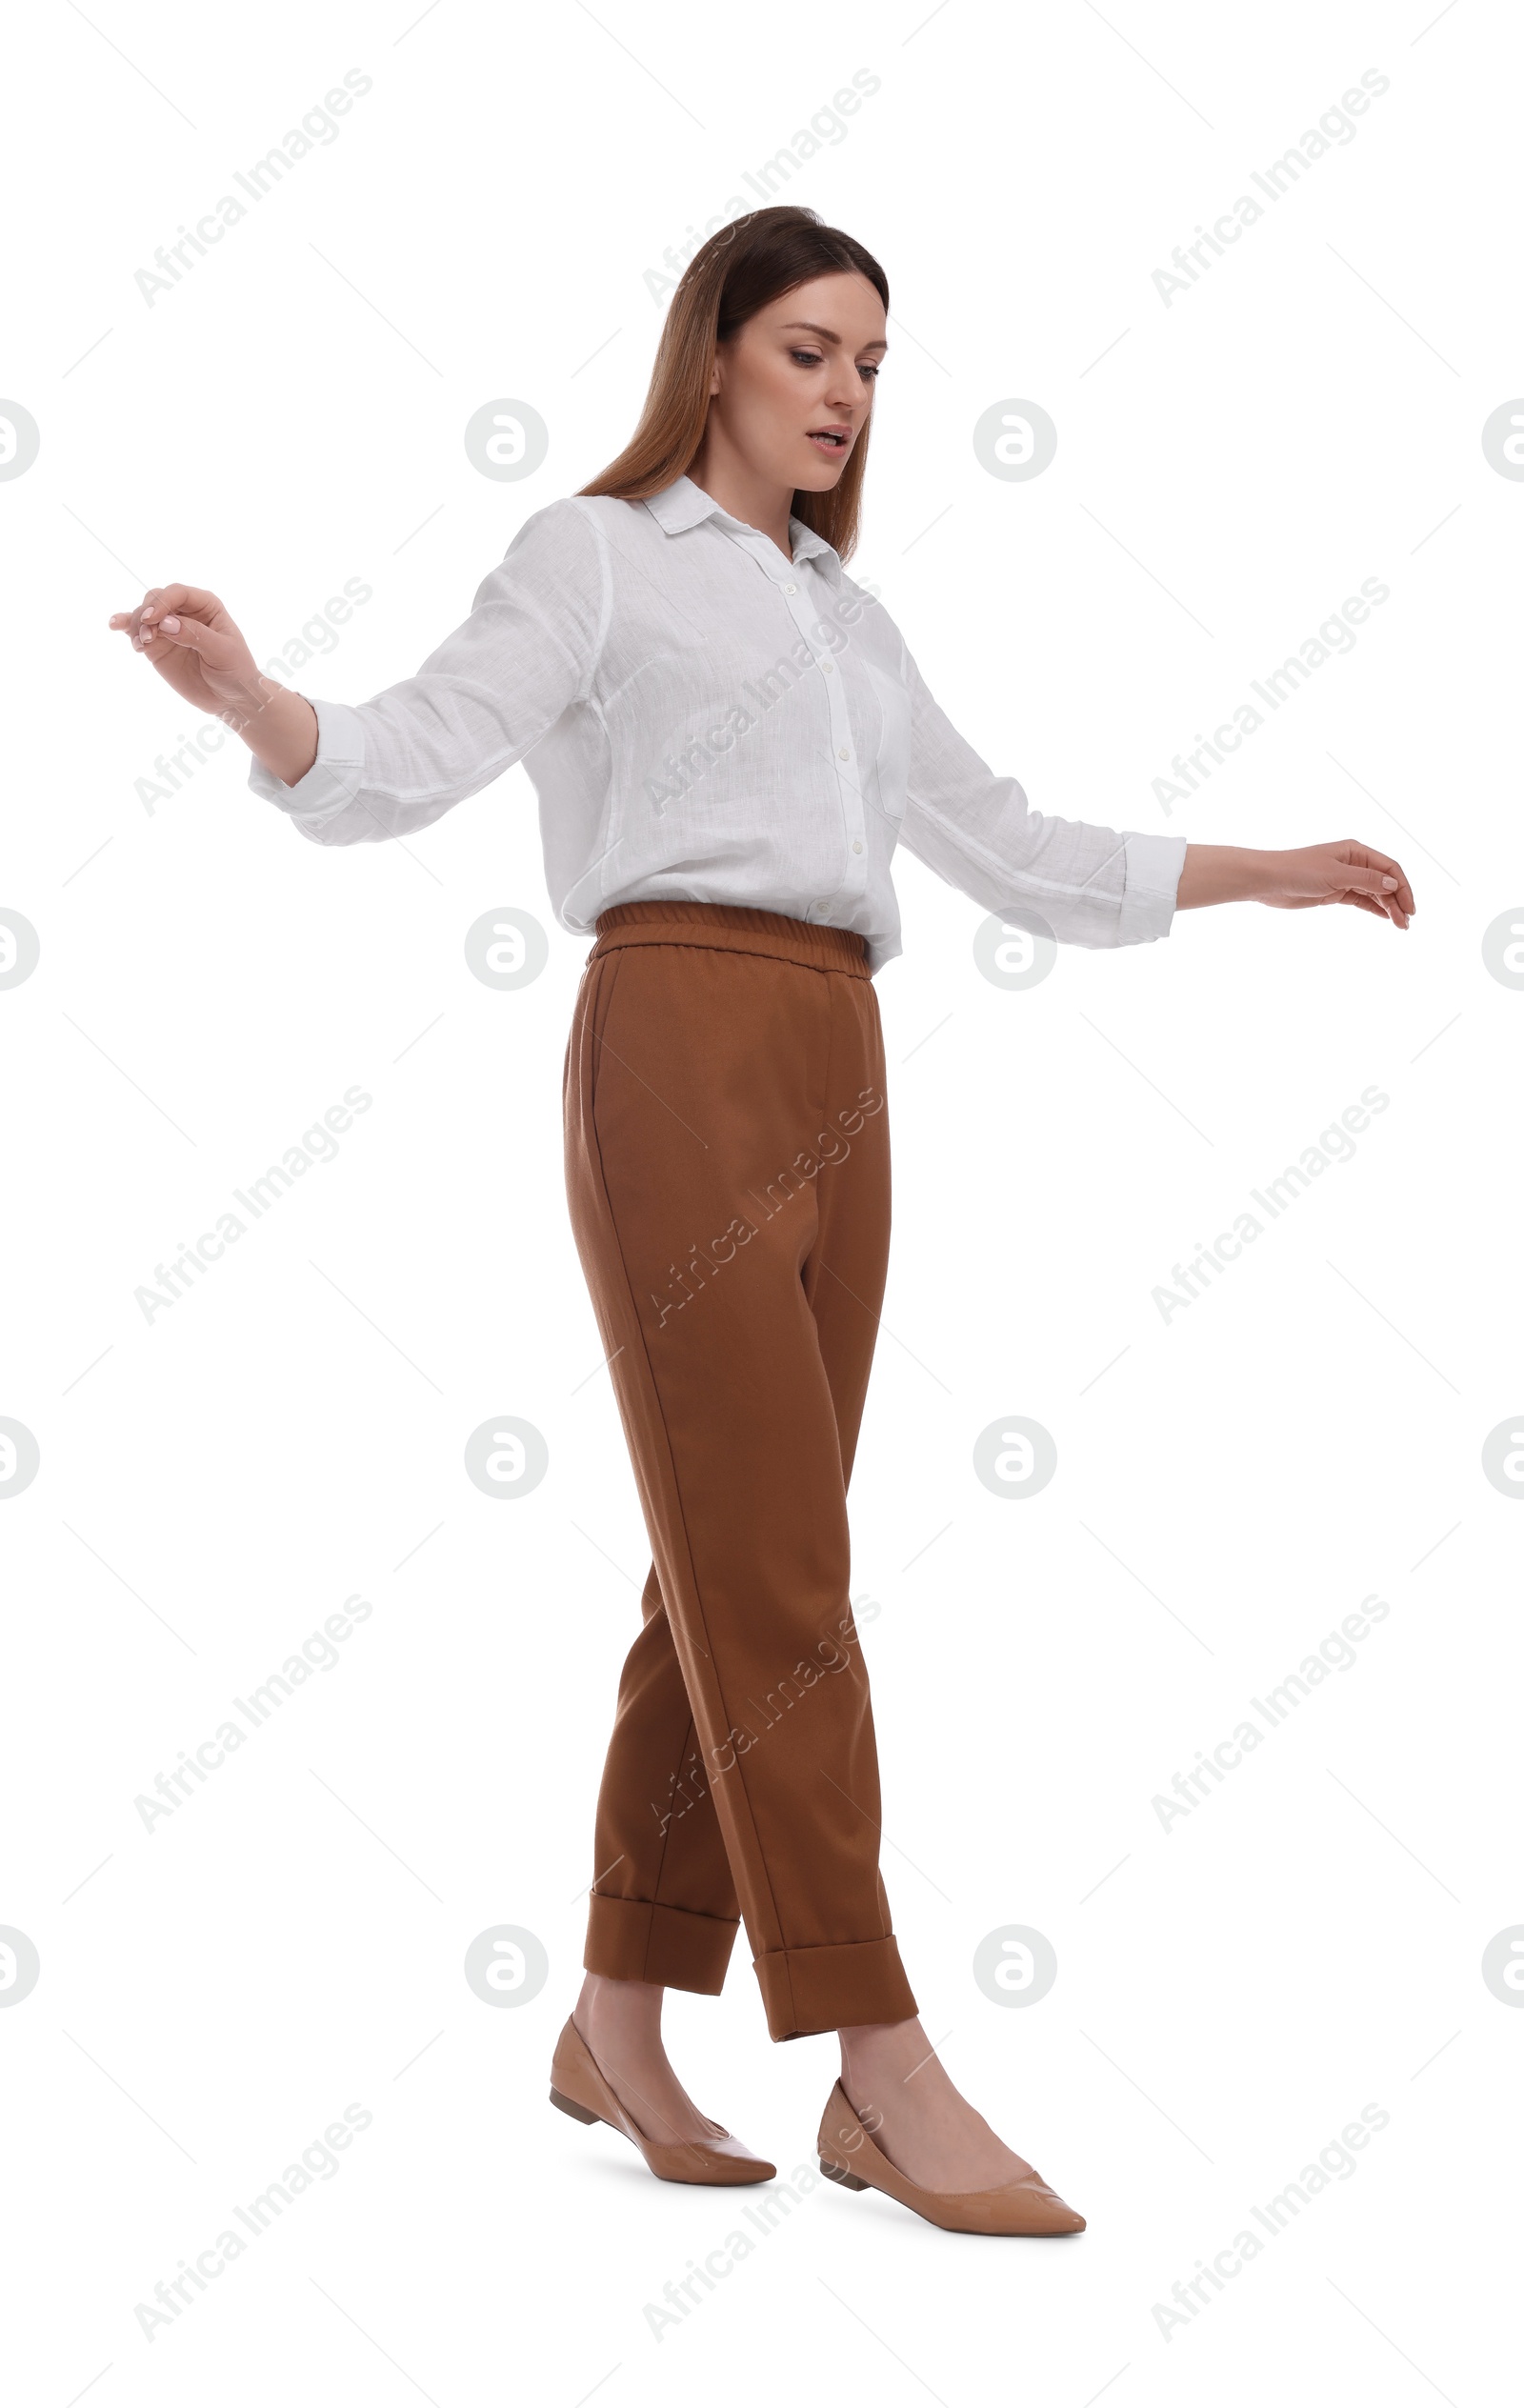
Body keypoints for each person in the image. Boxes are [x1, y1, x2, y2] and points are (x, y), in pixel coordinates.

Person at [109, 203, 1414, 2237]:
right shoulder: (596, 557)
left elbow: (1018, 846)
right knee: (775, 1564)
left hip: (839, 1060)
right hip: (677, 1038)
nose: (844, 394)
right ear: (709, 349)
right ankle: (873, 2054)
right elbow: (403, 757)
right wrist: (259, 701)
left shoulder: (847, 620)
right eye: (809, 349)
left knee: (722, 1556)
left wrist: (1272, 868)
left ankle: (617, 2009)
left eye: (873, 364)